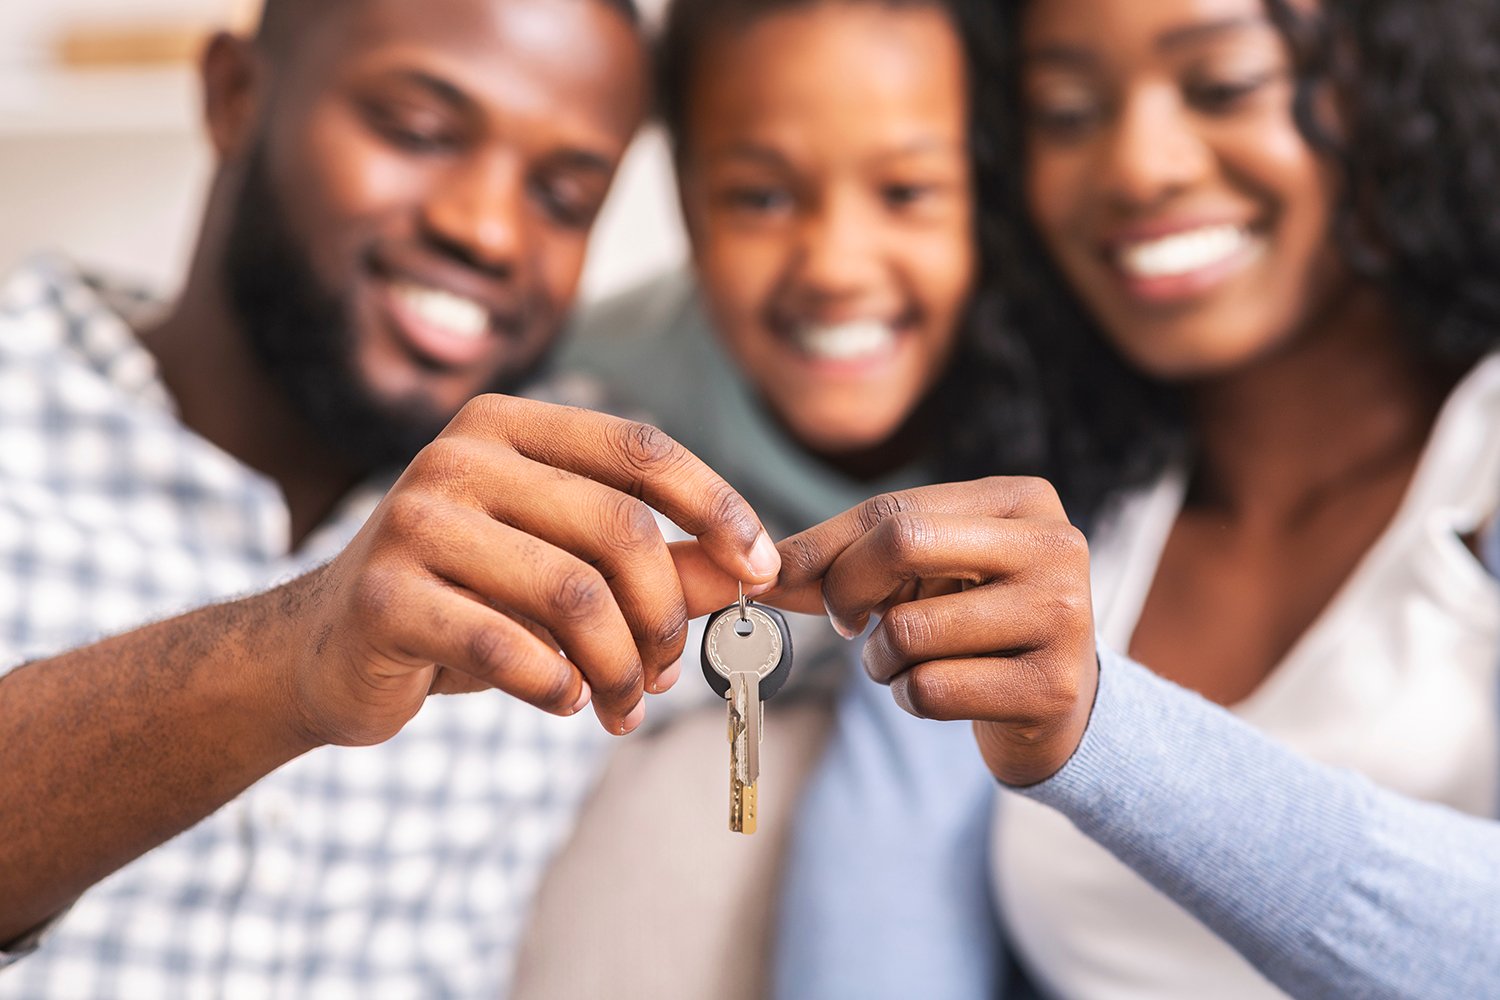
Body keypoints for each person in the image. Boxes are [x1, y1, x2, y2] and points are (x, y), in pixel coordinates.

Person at [0, 0, 784, 994]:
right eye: (417, 132)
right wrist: (289, 651)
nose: (488, 229)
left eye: (563, 195)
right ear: (235, 96)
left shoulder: (608, 492)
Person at [772, 0, 1500, 996]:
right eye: (1066, 113)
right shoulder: (1019, 522)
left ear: (1395, 88)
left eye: (1223, 86)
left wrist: (1101, 732)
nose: (1137, 167)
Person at [514, 0, 1013, 996]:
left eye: (908, 190)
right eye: (761, 198)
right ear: (684, 203)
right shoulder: (596, 393)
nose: (834, 265)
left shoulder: (1070, 400)